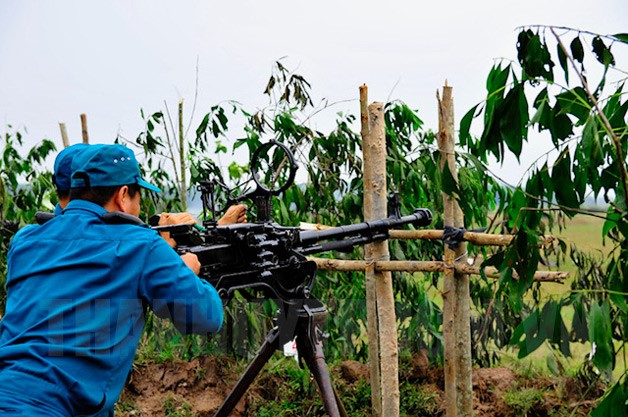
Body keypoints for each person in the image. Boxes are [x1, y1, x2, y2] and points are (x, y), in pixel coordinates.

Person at [0, 144, 224, 416]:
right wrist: (183, 269)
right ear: (123, 195)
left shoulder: (24, 241)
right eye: (139, 200)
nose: (139, 210)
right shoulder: (141, 246)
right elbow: (205, 317)